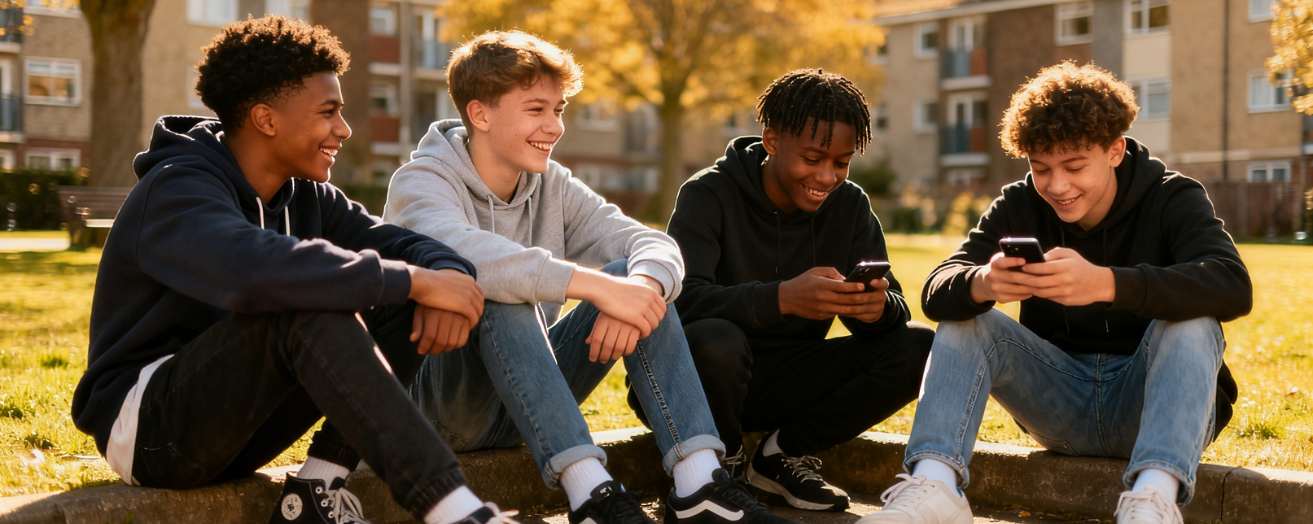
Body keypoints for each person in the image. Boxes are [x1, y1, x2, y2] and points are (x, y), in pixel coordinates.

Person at [70, 17, 513, 524]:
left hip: (243, 424)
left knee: (388, 291)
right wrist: (417, 280)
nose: (343, 129)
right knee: (307, 305)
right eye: (328, 112)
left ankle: (317, 489)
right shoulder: (177, 190)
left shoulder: (305, 197)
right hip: (151, 432)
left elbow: (405, 245)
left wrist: (445, 280)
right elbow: (255, 272)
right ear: (266, 119)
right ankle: (455, 511)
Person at [383, 30, 791, 524]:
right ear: (480, 113)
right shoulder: (421, 181)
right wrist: (600, 289)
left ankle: (698, 480)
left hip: (530, 396)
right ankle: (590, 493)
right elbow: (469, 257)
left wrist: (639, 290)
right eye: (536, 110)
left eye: (559, 110)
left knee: (637, 280)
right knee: (499, 284)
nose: (554, 127)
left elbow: (653, 244)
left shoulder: (550, 183)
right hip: (440, 404)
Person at [858, 62, 1252, 524]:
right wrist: (984, 282)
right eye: (1041, 168)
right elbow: (937, 289)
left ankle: (1154, 501)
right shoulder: (1021, 202)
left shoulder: (1173, 197)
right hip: (1059, 401)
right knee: (972, 319)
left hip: (1154, 404)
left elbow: (1231, 284)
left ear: (1115, 150)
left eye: (1074, 166)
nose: (1057, 186)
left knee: (1194, 322)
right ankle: (936, 486)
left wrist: (1106, 284)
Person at [641, 68, 933, 512]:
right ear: (772, 140)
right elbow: (680, 303)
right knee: (718, 339)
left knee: (921, 347)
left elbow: (892, 308)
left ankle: (780, 456)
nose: (828, 176)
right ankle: (722, 464)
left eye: (841, 162)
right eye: (813, 158)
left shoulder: (849, 205)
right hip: (698, 383)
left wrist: (875, 308)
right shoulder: (708, 193)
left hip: (787, 379)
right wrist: (782, 298)